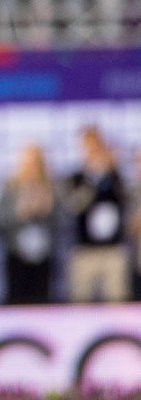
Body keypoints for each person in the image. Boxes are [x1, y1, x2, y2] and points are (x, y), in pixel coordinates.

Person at [65, 126, 128, 303]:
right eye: (88, 146)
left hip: (113, 250)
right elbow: (74, 206)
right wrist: (93, 177)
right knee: (80, 302)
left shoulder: (115, 176)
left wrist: (109, 171)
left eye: (96, 145)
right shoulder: (76, 178)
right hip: (85, 250)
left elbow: (125, 201)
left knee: (117, 302)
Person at [0, 143, 57, 304]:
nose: (31, 167)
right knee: (16, 301)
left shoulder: (51, 187)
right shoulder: (11, 188)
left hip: (43, 257)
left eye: (35, 163)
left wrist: (46, 211)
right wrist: (19, 213)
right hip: (17, 255)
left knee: (41, 301)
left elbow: (63, 220)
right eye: (27, 162)